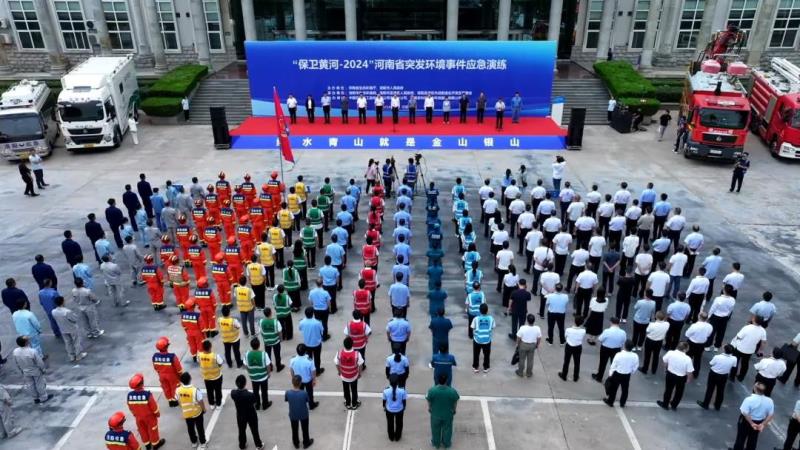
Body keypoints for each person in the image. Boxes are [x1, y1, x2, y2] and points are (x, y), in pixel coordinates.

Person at [126, 373, 165, 450]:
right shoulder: (147, 395)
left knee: (142, 431)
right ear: (142, 383)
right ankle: (156, 444)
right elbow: (154, 407)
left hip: (138, 418)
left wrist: (135, 414)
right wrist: (157, 414)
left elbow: (130, 407)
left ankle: (147, 445)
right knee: (153, 430)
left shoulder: (129, 396)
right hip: (150, 418)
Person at [731, 382, 773, 450]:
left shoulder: (749, 399)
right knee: (753, 439)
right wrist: (762, 424)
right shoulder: (769, 401)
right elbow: (770, 415)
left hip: (746, 422)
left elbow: (745, 413)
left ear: (755, 389)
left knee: (741, 438)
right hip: (759, 422)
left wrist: (752, 423)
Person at [697, 344, 737, 411]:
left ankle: (706, 404)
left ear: (724, 350)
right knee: (720, 391)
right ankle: (717, 406)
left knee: (710, 389)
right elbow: (734, 366)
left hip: (714, 374)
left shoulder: (717, 357)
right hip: (724, 375)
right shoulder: (734, 358)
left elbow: (711, 363)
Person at [12, 336, 51, 403]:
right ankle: (43, 397)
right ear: (26, 343)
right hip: (35, 370)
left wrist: (20, 371)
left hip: (25, 371)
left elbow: (16, 363)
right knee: (39, 384)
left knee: (30, 385)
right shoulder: (32, 351)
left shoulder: (15, 351)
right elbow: (39, 362)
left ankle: (35, 398)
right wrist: (43, 369)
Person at [231, 374, 264, 450]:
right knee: (254, 430)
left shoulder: (233, 393)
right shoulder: (250, 395)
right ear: (245, 383)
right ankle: (258, 445)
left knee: (241, 430)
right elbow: (254, 402)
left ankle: (242, 445)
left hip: (240, 415)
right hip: (251, 415)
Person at [427, 373, 460, 449]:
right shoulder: (452, 391)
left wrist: (429, 408)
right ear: (446, 380)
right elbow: (455, 401)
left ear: (438, 380)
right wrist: (454, 410)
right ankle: (446, 444)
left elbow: (429, 400)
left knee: (435, 429)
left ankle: (436, 443)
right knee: (447, 429)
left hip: (435, 414)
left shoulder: (432, 390)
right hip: (447, 414)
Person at [657, 342, 694, 410]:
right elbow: (689, 371)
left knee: (668, 390)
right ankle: (674, 405)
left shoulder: (670, 353)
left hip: (670, 374)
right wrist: (688, 379)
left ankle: (665, 404)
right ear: (685, 349)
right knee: (679, 392)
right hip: (681, 377)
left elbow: (665, 361)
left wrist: (665, 369)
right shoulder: (688, 359)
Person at [730, 317, 768, 382]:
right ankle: (741, 377)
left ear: (754, 320)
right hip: (750, 350)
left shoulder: (747, 327)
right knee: (745, 363)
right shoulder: (763, 331)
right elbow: (763, 342)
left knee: (735, 362)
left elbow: (739, 337)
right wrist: (760, 350)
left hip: (739, 348)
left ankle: (732, 376)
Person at [602, 340, 638, 407]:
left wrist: (610, 374)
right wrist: (631, 371)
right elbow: (635, 366)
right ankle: (622, 403)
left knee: (614, 389)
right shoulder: (635, 356)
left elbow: (613, 365)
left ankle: (610, 402)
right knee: (625, 390)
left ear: (625, 346)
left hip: (617, 374)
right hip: (627, 374)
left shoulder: (619, 354)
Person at [177, 372, 207, 449]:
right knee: (200, 428)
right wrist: (204, 409)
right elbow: (200, 401)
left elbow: (178, 400)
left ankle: (194, 442)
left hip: (187, 414)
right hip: (197, 413)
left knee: (190, 428)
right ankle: (203, 442)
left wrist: (183, 408)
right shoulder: (195, 390)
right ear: (190, 379)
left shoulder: (178, 390)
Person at [52, 296, 86, 362]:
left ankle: (71, 356)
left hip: (62, 329)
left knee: (68, 343)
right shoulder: (67, 311)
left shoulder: (53, 311)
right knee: (76, 341)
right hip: (71, 328)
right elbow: (74, 319)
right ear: (62, 302)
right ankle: (78, 355)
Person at [592, 317, 626, 382]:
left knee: (602, 363)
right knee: (614, 364)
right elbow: (623, 341)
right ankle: (612, 378)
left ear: (611, 322)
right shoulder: (623, 332)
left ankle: (599, 377)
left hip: (605, 349)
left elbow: (600, 339)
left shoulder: (607, 331)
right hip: (616, 349)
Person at [335, 337, 364, 410]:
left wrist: (339, 371)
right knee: (354, 390)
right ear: (352, 344)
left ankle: (348, 403)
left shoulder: (339, 353)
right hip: (354, 376)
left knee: (346, 390)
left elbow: (336, 363)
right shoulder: (357, 354)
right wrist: (359, 373)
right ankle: (354, 404)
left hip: (344, 376)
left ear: (344, 345)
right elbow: (361, 364)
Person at [285, 374, 314, 449]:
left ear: (292, 382)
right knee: (305, 429)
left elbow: (286, 400)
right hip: (303, 414)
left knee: (294, 429)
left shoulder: (288, 392)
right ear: (300, 383)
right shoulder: (304, 393)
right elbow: (307, 400)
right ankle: (306, 442)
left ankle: (296, 443)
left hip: (293, 414)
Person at [559, 315, 586, 382]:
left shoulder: (568, 330)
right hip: (578, 347)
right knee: (577, 362)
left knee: (566, 361)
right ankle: (575, 377)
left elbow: (565, 336)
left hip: (569, 346)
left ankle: (564, 375)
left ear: (574, 321)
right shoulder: (583, 331)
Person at [299, 307, 324, 373]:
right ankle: (317, 371)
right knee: (317, 358)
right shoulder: (318, 322)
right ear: (313, 313)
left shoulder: (302, 322)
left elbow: (300, 329)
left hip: (307, 344)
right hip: (316, 344)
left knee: (309, 359)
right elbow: (322, 331)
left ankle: (310, 370)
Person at [471, 303, 495, 373]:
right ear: (487, 310)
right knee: (487, 354)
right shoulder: (491, 318)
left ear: (479, 310)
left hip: (477, 339)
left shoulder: (476, 319)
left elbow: (473, 327)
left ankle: (476, 367)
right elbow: (493, 327)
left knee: (476, 354)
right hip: (487, 339)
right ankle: (486, 367)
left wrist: (475, 334)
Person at [383, 374, 408, 442]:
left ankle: (391, 437)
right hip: (399, 410)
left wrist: (384, 407)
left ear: (389, 381)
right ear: (398, 382)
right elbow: (404, 401)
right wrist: (404, 407)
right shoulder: (402, 391)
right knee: (399, 423)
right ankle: (398, 437)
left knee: (390, 423)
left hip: (389, 410)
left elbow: (384, 401)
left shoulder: (385, 391)